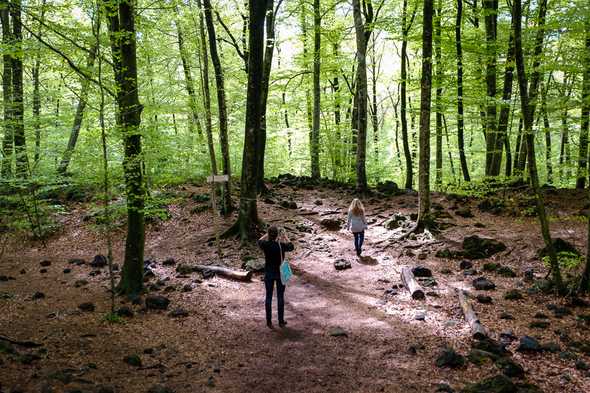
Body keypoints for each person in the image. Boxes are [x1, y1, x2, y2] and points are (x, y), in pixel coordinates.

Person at [258, 226, 294, 329]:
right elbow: (291, 246)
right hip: (280, 274)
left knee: (268, 296)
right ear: (277, 235)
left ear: (269, 234)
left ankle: (269, 322)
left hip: (269, 274)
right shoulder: (281, 246)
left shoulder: (265, 245)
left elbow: (259, 240)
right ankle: (281, 321)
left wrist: (266, 234)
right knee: (280, 297)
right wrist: (285, 236)